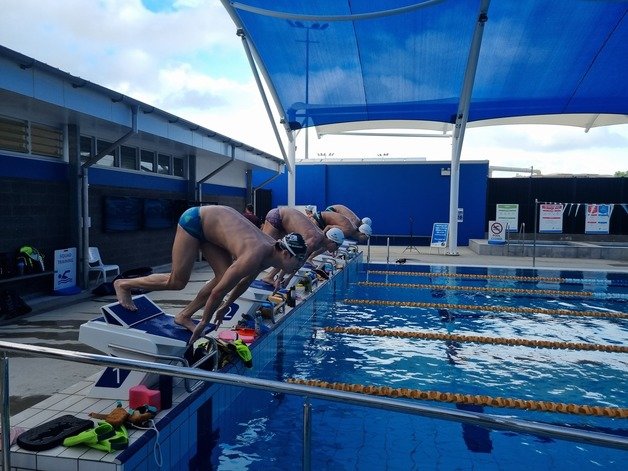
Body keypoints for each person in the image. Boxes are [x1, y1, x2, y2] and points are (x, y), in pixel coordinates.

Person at [113, 205, 307, 344]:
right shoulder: (255, 255)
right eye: (298, 260)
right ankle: (123, 284)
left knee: (223, 277)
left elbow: (244, 283)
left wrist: (226, 307)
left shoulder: (269, 253)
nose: (300, 265)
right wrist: (206, 319)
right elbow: (218, 293)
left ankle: (184, 316)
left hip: (213, 224)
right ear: (285, 253)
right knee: (178, 281)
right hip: (195, 220)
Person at [260, 206, 345, 287]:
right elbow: (291, 258)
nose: (337, 249)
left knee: (281, 256)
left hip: (284, 222)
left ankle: (269, 276)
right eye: (337, 246)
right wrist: (279, 279)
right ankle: (255, 276)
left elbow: (300, 262)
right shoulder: (314, 240)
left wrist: (288, 279)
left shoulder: (320, 243)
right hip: (278, 216)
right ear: (331, 241)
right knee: (264, 253)